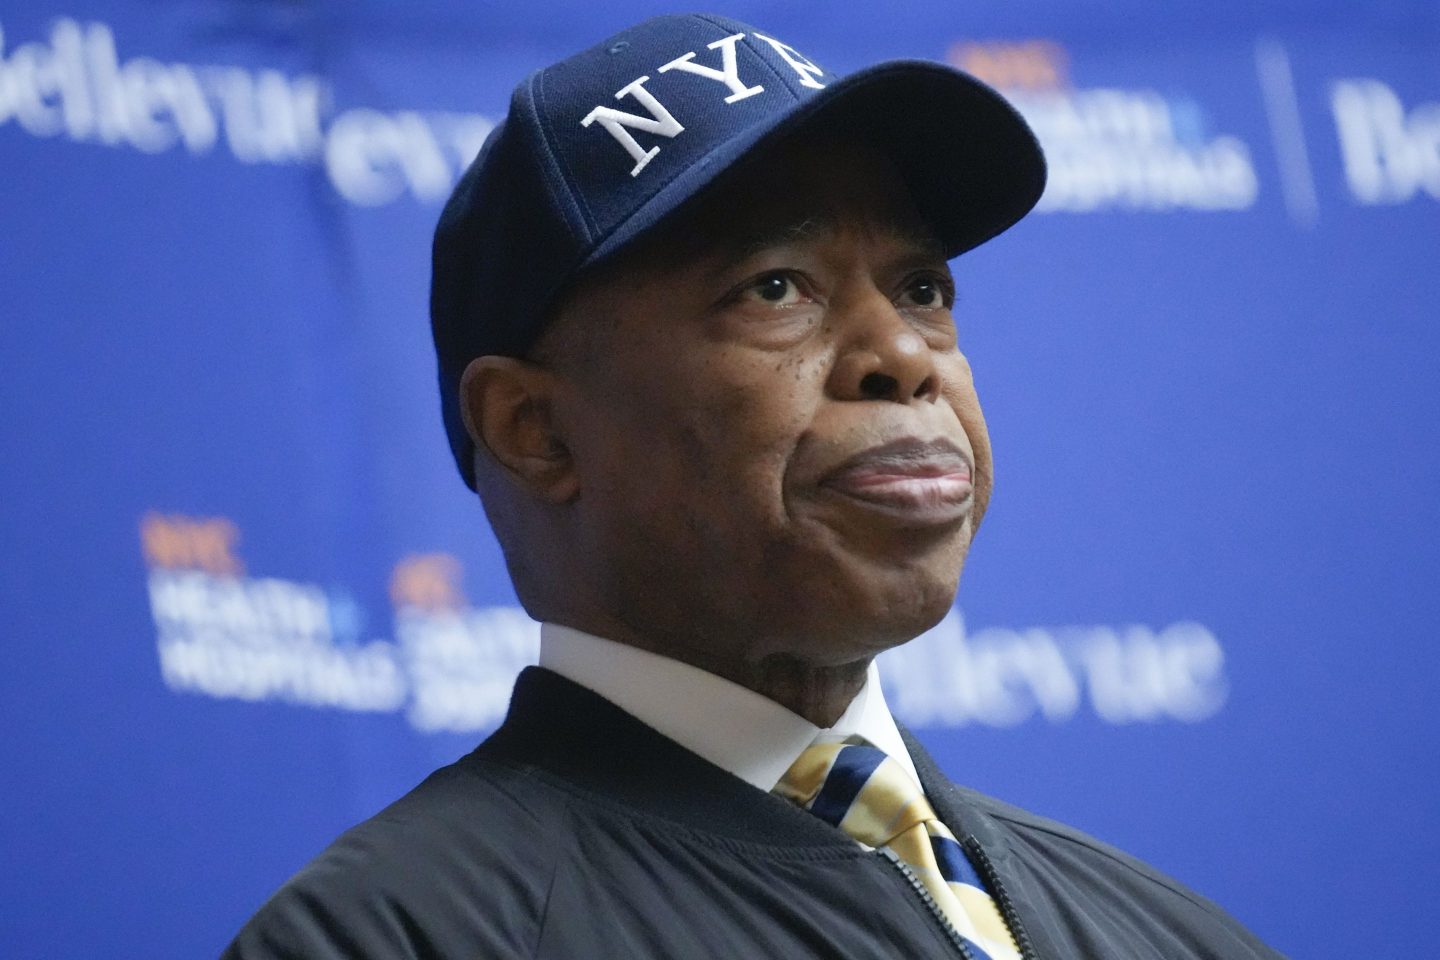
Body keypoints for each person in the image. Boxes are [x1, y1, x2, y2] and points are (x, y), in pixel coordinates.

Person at [226, 14, 1285, 959]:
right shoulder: (397, 935)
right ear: (535, 429)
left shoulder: (1175, 933)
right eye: (777, 288)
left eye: (923, 289)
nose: (901, 354)